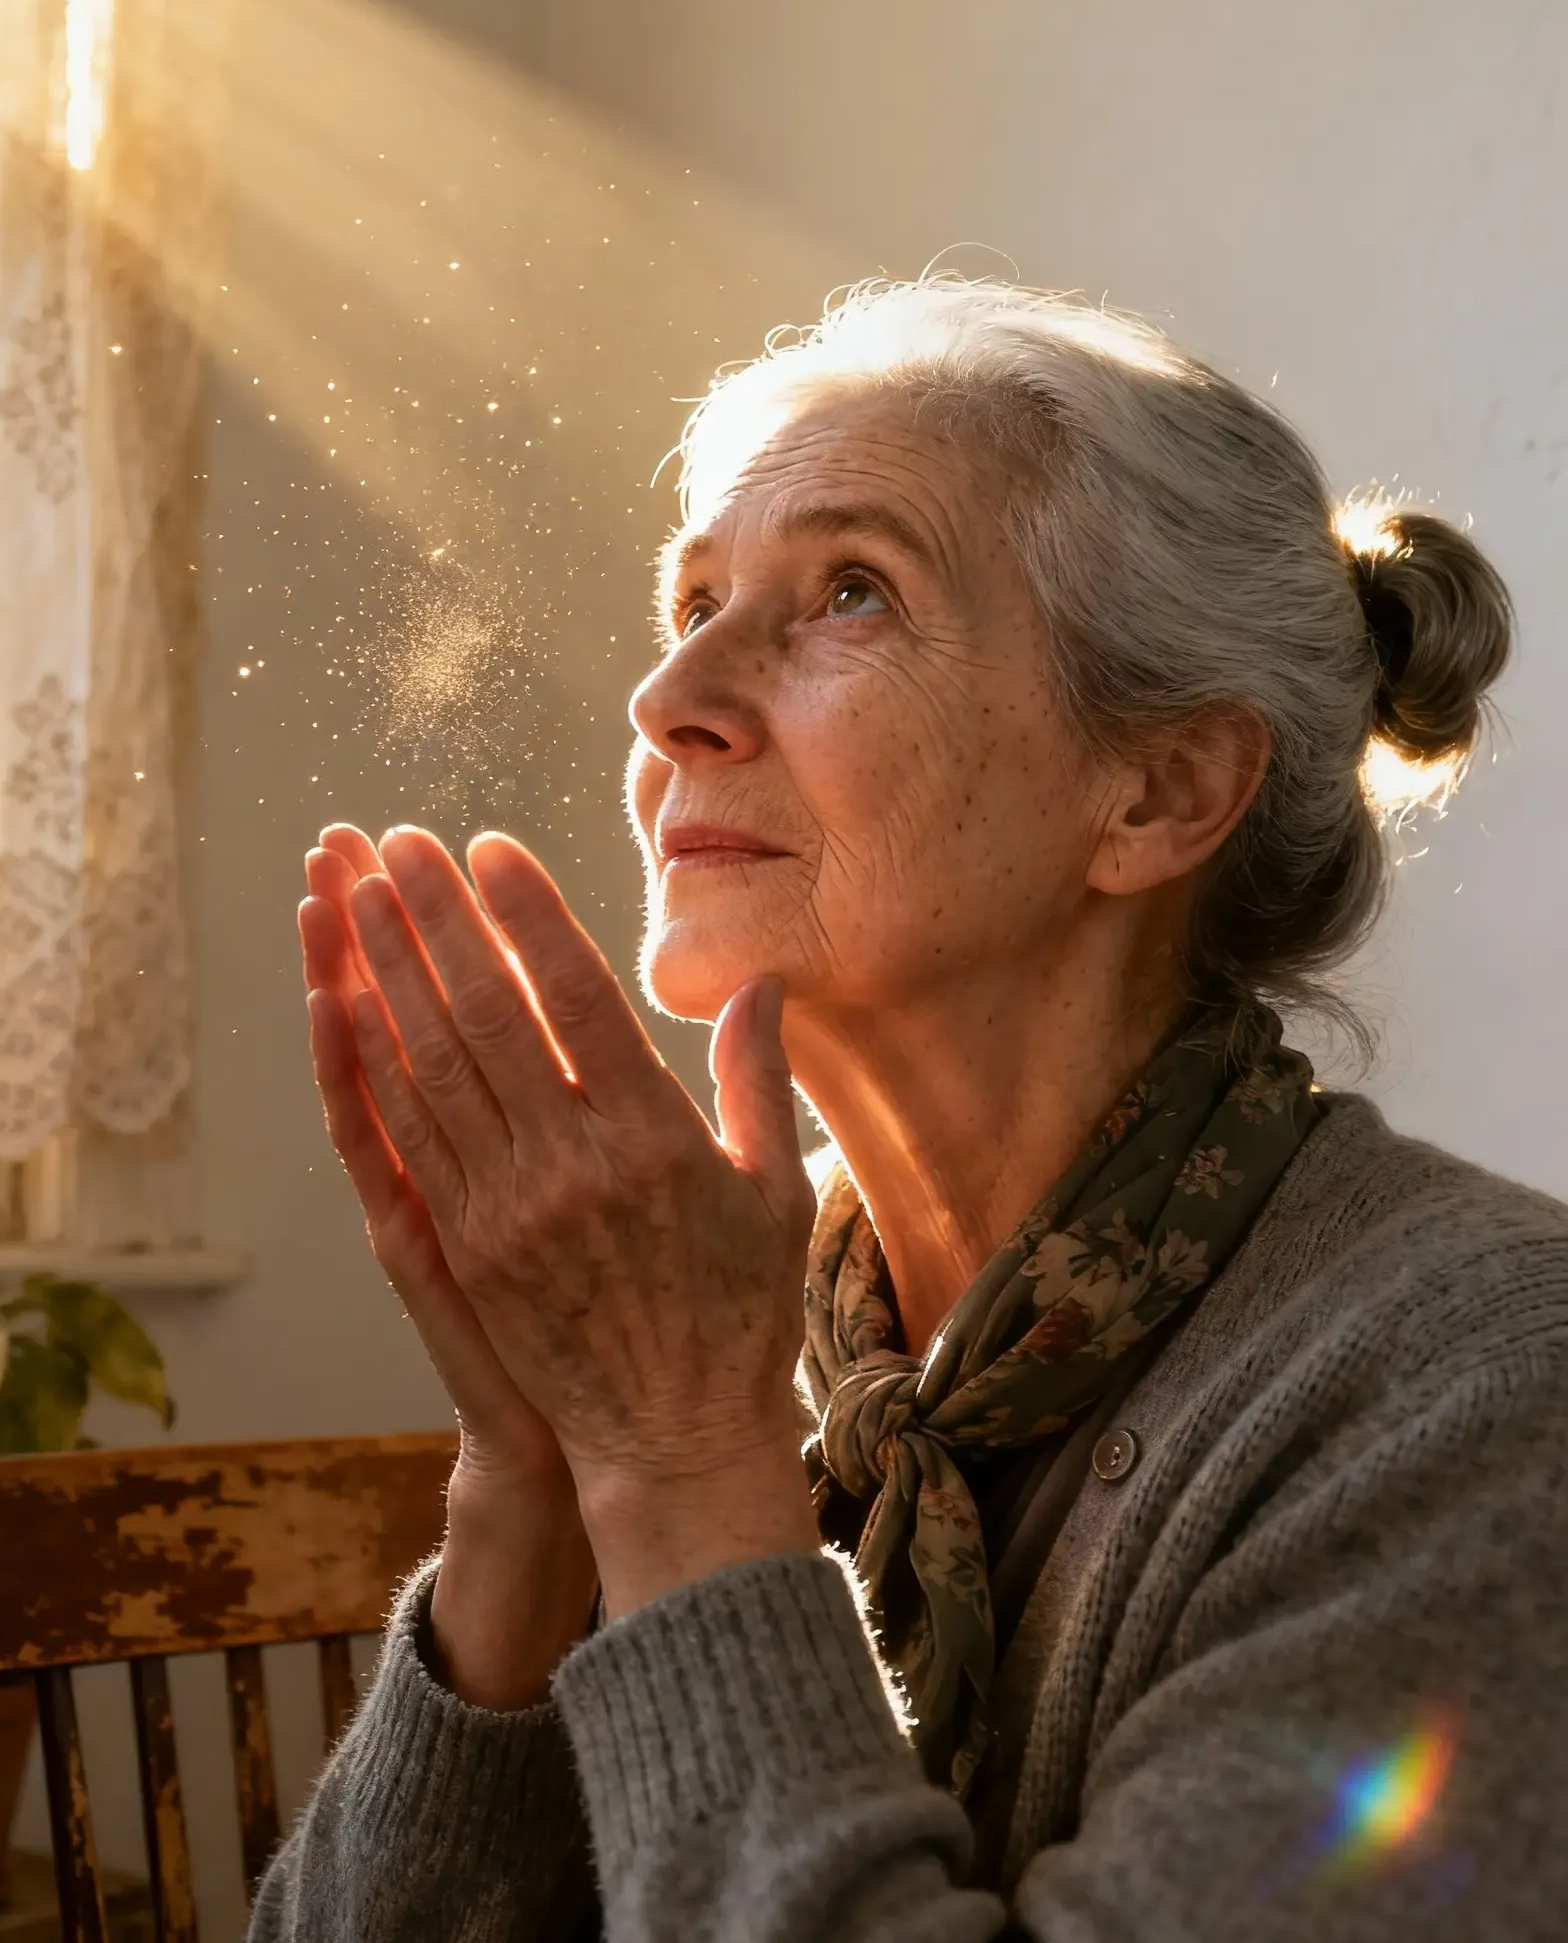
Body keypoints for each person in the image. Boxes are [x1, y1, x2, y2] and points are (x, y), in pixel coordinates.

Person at [252, 279, 1566, 1940]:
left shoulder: (1496, 1392)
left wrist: (673, 1462)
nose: (672, 702)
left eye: (850, 593)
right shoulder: (721, 1327)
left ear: (1159, 791)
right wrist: (531, 1479)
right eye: (697, 598)